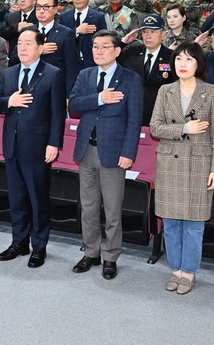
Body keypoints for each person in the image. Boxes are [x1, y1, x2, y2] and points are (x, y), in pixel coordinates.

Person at [150, 41, 214, 295]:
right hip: (169, 164)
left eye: (189, 59)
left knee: (194, 224)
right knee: (170, 223)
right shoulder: (165, 91)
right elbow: (155, 128)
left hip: (199, 165)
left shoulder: (211, 92)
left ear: (198, 64)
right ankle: (176, 269)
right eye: (179, 59)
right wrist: (183, 128)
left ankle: (189, 271)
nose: (183, 64)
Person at [69, 30, 144, 280]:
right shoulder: (85, 74)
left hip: (114, 153)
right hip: (86, 150)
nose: (98, 51)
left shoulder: (130, 79)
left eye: (104, 47)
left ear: (117, 51)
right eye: (95, 47)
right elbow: (74, 104)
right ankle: (91, 252)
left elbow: (134, 119)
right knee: (88, 207)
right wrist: (100, 98)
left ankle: (110, 256)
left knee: (112, 211)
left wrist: (128, 152)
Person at [0, 28, 65, 268]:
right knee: (17, 199)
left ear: (41, 48)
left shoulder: (53, 74)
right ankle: (19, 242)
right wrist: (9, 101)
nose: (22, 47)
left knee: (38, 199)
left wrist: (54, 143)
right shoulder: (8, 73)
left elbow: (57, 114)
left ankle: (39, 247)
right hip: (12, 146)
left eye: (28, 43)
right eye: (19, 43)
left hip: (38, 146)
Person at [119, 15, 175, 126]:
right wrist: (123, 43)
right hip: (130, 113)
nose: (148, 36)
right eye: (144, 32)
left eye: (153, 32)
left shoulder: (171, 57)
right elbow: (109, 60)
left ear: (163, 34)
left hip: (158, 116)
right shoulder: (131, 52)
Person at [31, 0, 79, 94]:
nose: (41, 11)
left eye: (46, 7)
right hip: (29, 86)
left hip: (55, 88)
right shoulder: (27, 32)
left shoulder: (66, 33)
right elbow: (14, 58)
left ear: (55, 10)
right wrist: (37, 50)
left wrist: (69, 95)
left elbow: (71, 67)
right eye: (38, 7)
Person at [59, 0, 107, 69]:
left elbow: (103, 41)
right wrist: (76, 31)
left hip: (91, 64)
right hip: (69, 66)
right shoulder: (64, 17)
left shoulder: (98, 17)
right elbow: (60, 40)